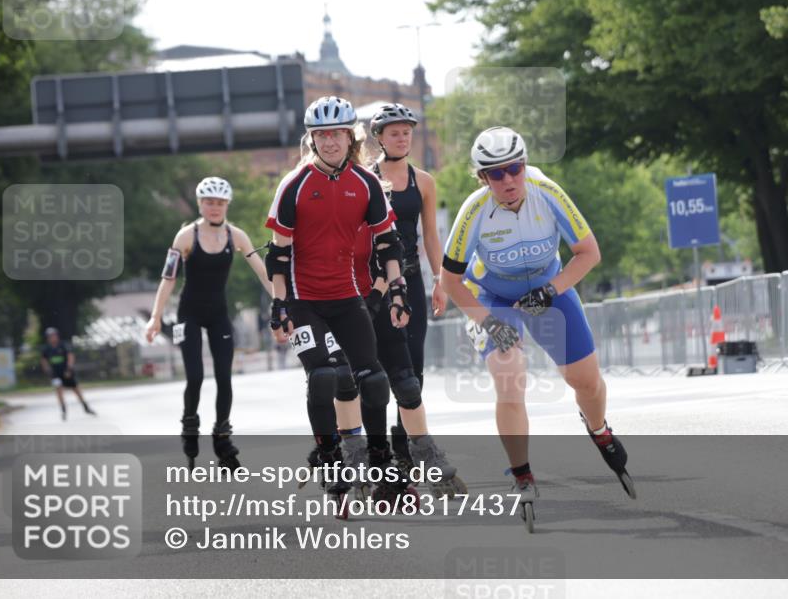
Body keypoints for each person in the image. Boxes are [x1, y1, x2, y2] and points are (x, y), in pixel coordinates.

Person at [264, 96, 455, 500]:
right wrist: (279, 304)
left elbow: (389, 245)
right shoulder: (293, 186)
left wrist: (398, 289)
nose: (329, 142)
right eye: (321, 135)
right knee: (325, 377)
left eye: (336, 134)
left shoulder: (366, 184)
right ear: (311, 138)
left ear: (350, 136)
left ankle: (386, 462)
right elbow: (278, 253)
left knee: (379, 380)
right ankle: (334, 456)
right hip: (304, 300)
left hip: (350, 297)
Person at [440, 126, 636, 507]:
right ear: (483, 178)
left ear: (525, 165)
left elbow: (589, 253)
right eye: (496, 174)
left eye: (514, 168)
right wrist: (490, 323)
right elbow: (450, 281)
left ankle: (598, 428)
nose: (508, 179)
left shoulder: (547, 192)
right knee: (509, 373)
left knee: (586, 381)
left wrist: (550, 290)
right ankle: (522, 473)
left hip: (549, 289)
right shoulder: (474, 211)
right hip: (493, 296)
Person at [145, 177, 271, 470]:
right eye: (209, 202)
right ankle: (190, 424)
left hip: (218, 315)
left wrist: (284, 304)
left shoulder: (236, 236)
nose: (214, 208)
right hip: (188, 315)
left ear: (227, 205)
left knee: (225, 379)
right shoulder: (185, 237)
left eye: (220, 203)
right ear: (201, 204)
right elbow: (168, 279)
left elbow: (262, 273)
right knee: (196, 377)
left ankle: (223, 439)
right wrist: (155, 317)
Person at [365, 103, 449, 471]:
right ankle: (377, 451)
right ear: (379, 137)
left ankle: (405, 451)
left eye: (407, 132)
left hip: (412, 281)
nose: (402, 138)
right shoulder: (365, 179)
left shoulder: (424, 181)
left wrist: (441, 281)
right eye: (394, 132)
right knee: (380, 371)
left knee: (414, 370)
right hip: (377, 285)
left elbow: (430, 235)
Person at [41, 327, 95, 420]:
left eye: (54, 335)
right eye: (50, 336)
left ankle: (85, 407)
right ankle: (63, 411)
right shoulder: (46, 349)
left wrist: (69, 368)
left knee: (76, 389)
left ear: (57, 336)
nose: (52, 337)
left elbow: (70, 356)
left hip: (66, 372)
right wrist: (47, 370)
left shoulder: (63, 345)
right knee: (59, 390)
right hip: (55, 374)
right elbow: (44, 360)